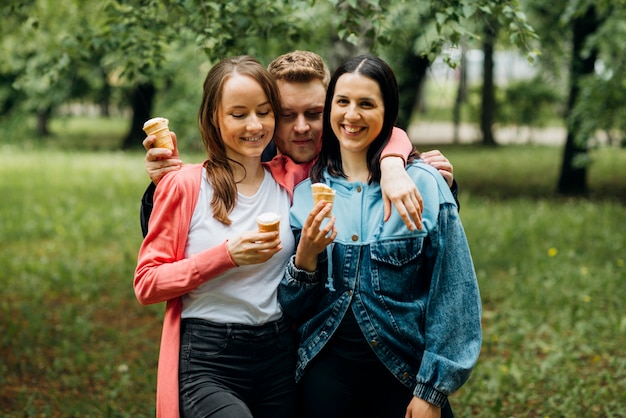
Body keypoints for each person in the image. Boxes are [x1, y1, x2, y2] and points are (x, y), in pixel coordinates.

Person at [278, 55, 482, 418]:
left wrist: (432, 391)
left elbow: (455, 294)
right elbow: (294, 306)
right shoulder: (308, 193)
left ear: (388, 113)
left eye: (366, 104)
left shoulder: (424, 184)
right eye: (342, 102)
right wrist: (305, 258)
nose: (351, 115)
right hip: (325, 376)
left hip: (404, 374)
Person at [140, 51, 459, 237]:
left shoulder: (360, 160)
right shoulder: (255, 163)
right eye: (286, 115)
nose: (302, 128)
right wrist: (160, 189)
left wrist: (394, 163)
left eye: (315, 113)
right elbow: (186, 233)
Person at [135, 56, 298, 418]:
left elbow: (356, 134)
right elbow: (147, 283)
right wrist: (227, 256)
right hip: (209, 358)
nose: (254, 125)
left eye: (264, 111)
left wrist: (400, 160)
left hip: (278, 357)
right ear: (214, 117)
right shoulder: (185, 185)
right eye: (238, 114)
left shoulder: (291, 180)